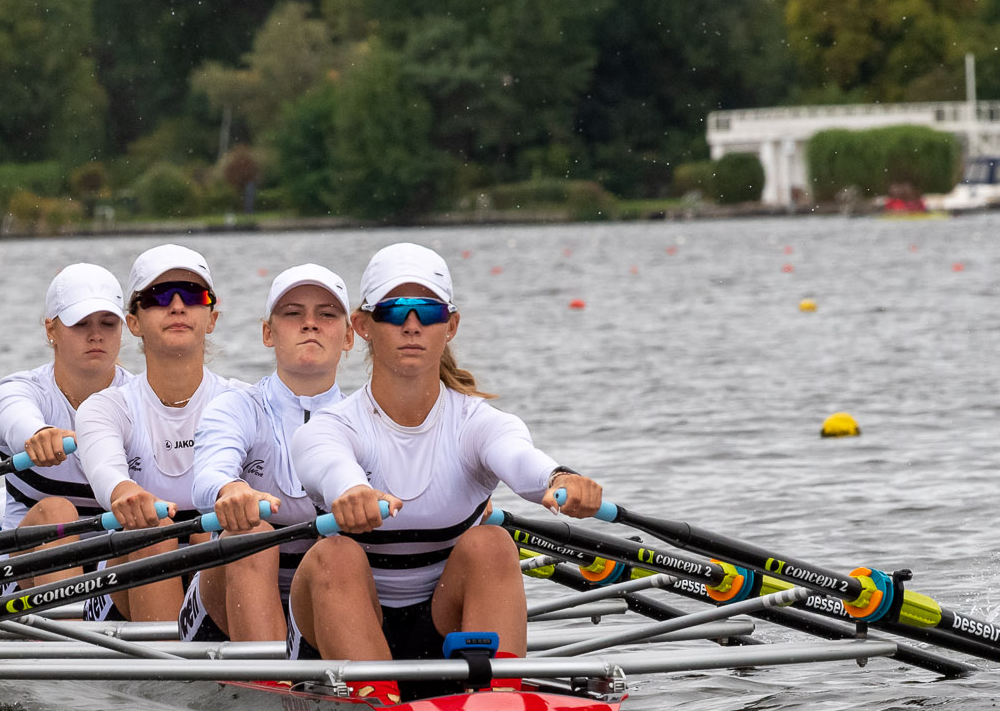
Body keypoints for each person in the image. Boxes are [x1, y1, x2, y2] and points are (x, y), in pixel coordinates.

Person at [289, 242, 603, 677]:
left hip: (441, 618)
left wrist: (560, 477)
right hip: (338, 623)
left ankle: (501, 700)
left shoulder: (477, 423)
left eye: (429, 312)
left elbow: (518, 457)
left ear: (450, 325)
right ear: (363, 325)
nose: (413, 326)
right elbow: (327, 463)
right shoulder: (330, 427)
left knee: (492, 542)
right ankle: (375, 704)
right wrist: (352, 492)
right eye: (396, 311)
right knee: (334, 554)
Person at [186, 263, 355, 642]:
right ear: (268, 333)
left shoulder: (365, 418)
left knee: (344, 550)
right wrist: (230, 490)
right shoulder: (237, 407)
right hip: (226, 602)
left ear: (348, 337)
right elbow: (208, 477)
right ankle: (273, 681)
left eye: (326, 315)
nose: (310, 324)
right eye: (293, 314)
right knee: (252, 531)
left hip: (326, 592)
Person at [71, 245, 236, 622]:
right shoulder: (106, 407)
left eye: (193, 295)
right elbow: (105, 471)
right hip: (129, 576)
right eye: (160, 296)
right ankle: (169, 675)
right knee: (152, 529)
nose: (177, 306)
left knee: (227, 535)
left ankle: (264, 674)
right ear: (133, 322)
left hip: (214, 569)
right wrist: (124, 491)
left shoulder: (243, 401)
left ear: (211, 317)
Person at [0, 262, 133, 534]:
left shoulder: (140, 399)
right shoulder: (21, 389)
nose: (96, 335)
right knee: (58, 511)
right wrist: (39, 434)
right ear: (50, 330)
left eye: (108, 323)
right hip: (30, 567)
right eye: (80, 323)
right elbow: (16, 418)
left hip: (116, 563)